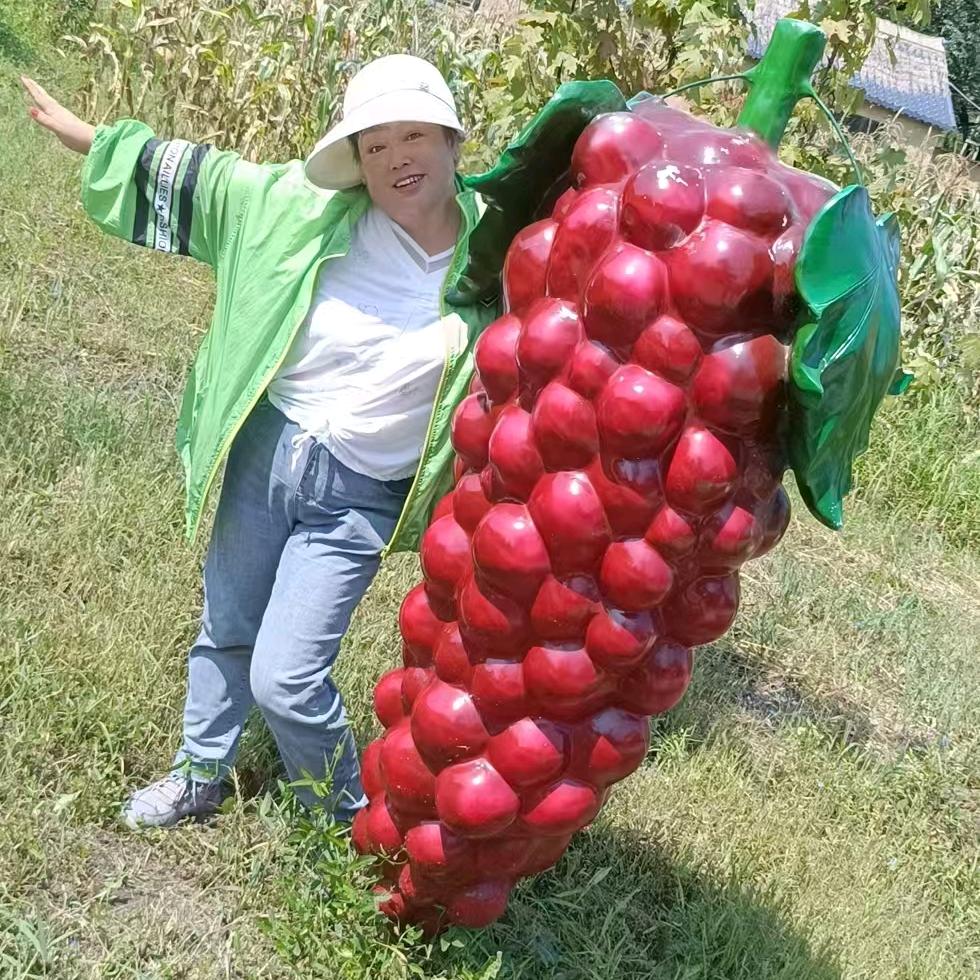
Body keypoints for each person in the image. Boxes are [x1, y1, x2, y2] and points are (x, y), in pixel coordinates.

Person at [21, 55, 500, 828]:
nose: (395, 158)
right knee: (228, 625)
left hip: (362, 497)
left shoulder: (498, 262)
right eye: (374, 146)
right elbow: (212, 178)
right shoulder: (308, 211)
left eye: (413, 135)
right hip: (270, 452)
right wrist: (91, 138)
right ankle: (201, 770)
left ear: (452, 142)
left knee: (288, 678)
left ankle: (345, 816)